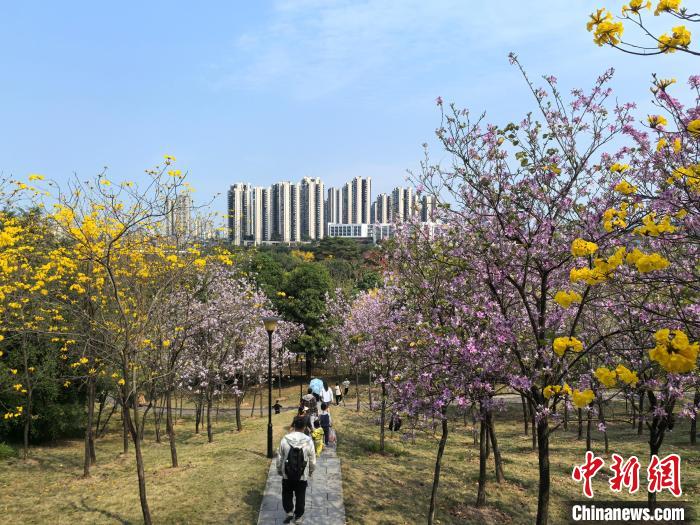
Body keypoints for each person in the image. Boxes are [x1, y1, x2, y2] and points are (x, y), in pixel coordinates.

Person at [277, 416, 316, 524]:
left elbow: (280, 457)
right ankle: (298, 516)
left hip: (287, 474)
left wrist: (279, 470)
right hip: (302, 474)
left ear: (294, 425)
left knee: (287, 493)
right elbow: (312, 459)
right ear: (305, 427)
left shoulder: (285, 439)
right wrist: (311, 471)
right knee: (300, 496)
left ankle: (289, 511)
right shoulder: (308, 441)